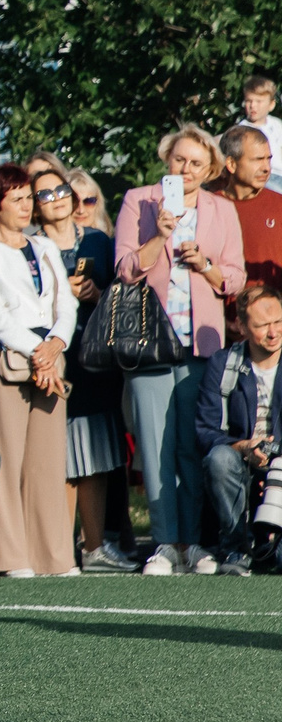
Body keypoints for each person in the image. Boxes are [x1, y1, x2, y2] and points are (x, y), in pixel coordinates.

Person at [116, 124, 247, 576]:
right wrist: (158, 235)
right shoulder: (140, 199)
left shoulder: (221, 208)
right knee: (155, 446)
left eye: (195, 163)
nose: (186, 170)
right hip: (150, 342)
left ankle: (194, 543)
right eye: (179, 160)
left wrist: (205, 266)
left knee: (192, 446)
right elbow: (125, 268)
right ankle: (165, 543)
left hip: (202, 343)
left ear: (210, 167)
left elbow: (235, 278)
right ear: (166, 160)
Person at [0, 164, 79, 577]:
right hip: (5, 356)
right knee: (3, 460)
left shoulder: (44, 246)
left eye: (29, 198)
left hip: (49, 354)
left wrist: (54, 346)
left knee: (47, 463)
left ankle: (53, 557)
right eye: (17, 200)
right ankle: (7, 558)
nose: (27, 206)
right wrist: (38, 351)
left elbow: (66, 304)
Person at [25, 158, 134, 571]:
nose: (55, 200)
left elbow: (121, 297)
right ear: (34, 205)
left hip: (93, 358)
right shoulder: (29, 247)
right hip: (49, 359)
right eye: (45, 194)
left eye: (61, 192)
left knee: (96, 456)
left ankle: (93, 546)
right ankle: (58, 548)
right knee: (57, 459)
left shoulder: (98, 241)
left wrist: (96, 292)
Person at [196, 285, 282, 572]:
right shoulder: (224, 363)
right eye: (262, 326)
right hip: (241, 459)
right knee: (219, 459)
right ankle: (236, 548)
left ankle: (271, 546)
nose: (273, 333)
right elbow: (206, 431)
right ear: (242, 327)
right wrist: (245, 447)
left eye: (278, 322)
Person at [212, 125, 282, 309]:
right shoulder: (208, 207)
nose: (266, 168)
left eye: (268, 159)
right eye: (258, 160)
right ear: (231, 164)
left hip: (274, 325)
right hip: (220, 323)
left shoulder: (279, 205)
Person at [241, 76, 279, 188]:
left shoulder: (276, 125)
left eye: (259, 101)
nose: (253, 106)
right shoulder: (243, 130)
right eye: (249, 101)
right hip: (264, 177)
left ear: (271, 105)